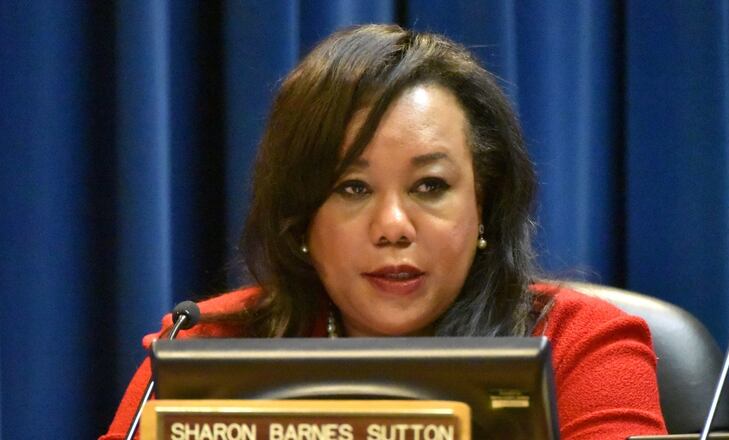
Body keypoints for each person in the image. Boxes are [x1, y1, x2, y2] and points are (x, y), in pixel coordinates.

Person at [101, 24, 667, 439]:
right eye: (352, 188)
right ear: (301, 217)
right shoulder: (205, 348)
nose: (393, 227)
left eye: (429, 187)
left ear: (484, 204)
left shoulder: (579, 346)